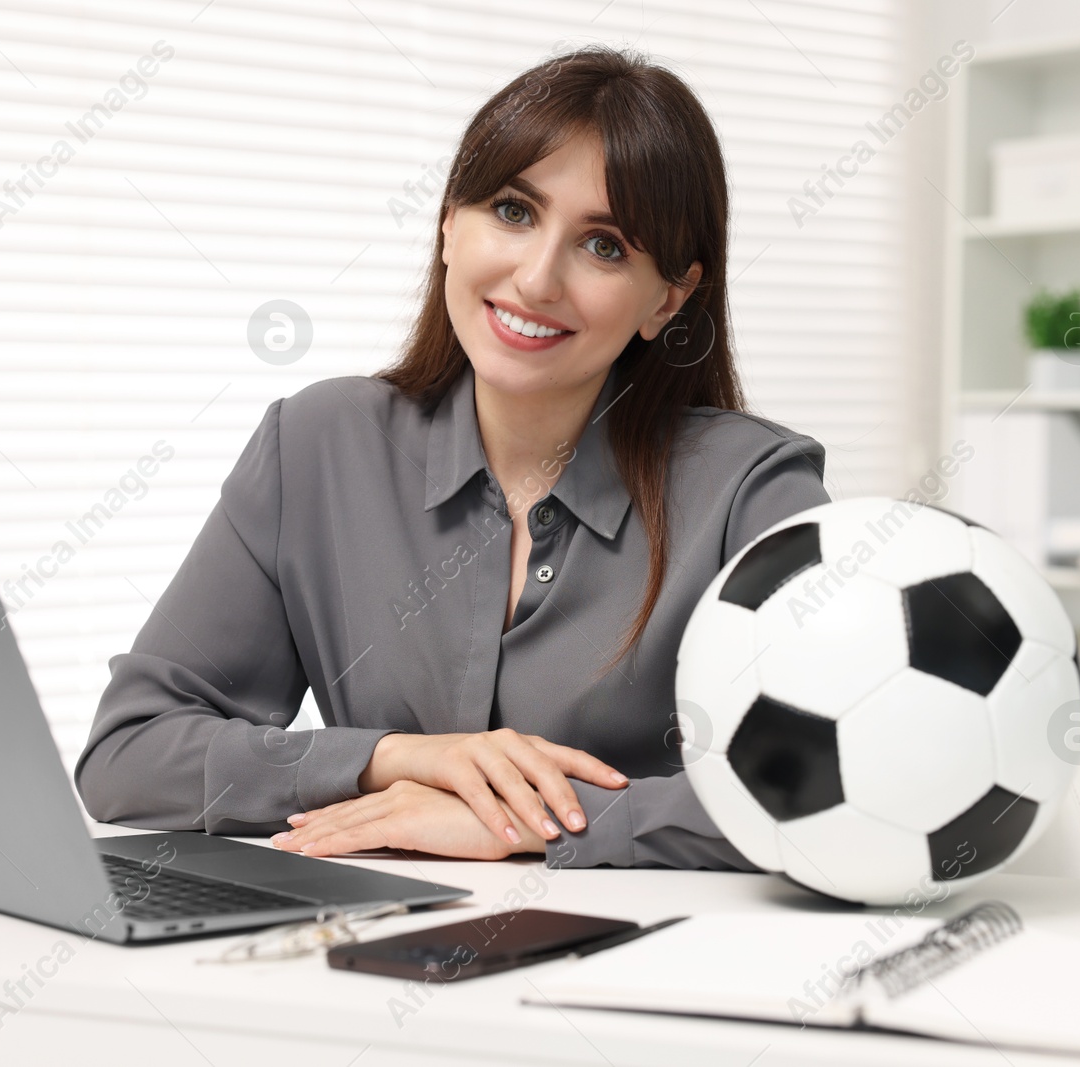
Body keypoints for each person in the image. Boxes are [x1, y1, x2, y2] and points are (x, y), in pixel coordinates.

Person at [73, 45, 828, 870]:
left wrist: (539, 823)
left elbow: (848, 784)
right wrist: (392, 759)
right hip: (358, 955)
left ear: (668, 298)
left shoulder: (752, 491)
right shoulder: (317, 446)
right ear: (447, 225)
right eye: (512, 211)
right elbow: (128, 754)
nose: (537, 278)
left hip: (649, 968)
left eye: (604, 245)